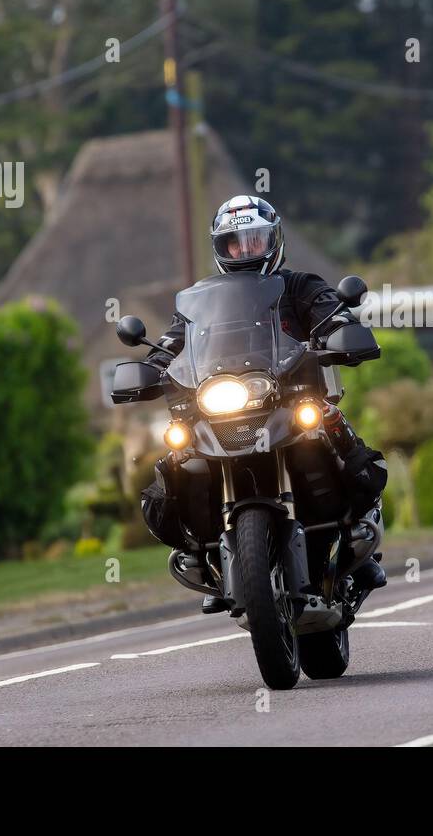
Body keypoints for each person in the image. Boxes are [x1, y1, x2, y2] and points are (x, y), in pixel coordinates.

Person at [143, 195, 387, 610]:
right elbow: (171, 346)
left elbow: (333, 314)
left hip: (291, 400)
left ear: (272, 241)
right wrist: (153, 365)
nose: (245, 251)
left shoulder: (300, 286)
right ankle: (204, 554)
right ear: (221, 249)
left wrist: (341, 330)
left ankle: (355, 541)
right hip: (221, 410)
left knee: (333, 432)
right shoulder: (202, 302)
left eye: (254, 241)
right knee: (175, 463)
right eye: (235, 243)